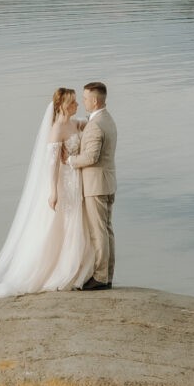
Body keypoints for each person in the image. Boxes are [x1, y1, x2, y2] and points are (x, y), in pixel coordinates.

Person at [0, 86, 95, 299]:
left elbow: (88, 124)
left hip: (76, 180)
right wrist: (53, 191)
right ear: (62, 106)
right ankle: (63, 270)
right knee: (64, 223)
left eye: (77, 100)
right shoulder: (57, 129)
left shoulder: (74, 123)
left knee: (77, 222)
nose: (77, 105)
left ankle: (79, 268)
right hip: (64, 183)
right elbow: (51, 164)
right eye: (72, 102)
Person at [69, 80, 117, 288]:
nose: (83, 102)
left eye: (86, 98)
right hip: (107, 182)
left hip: (96, 185)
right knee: (106, 230)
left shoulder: (96, 125)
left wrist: (70, 160)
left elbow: (91, 157)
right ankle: (107, 275)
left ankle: (99, 277)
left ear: (95, 101)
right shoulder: (107, 119)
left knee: (98, 232)